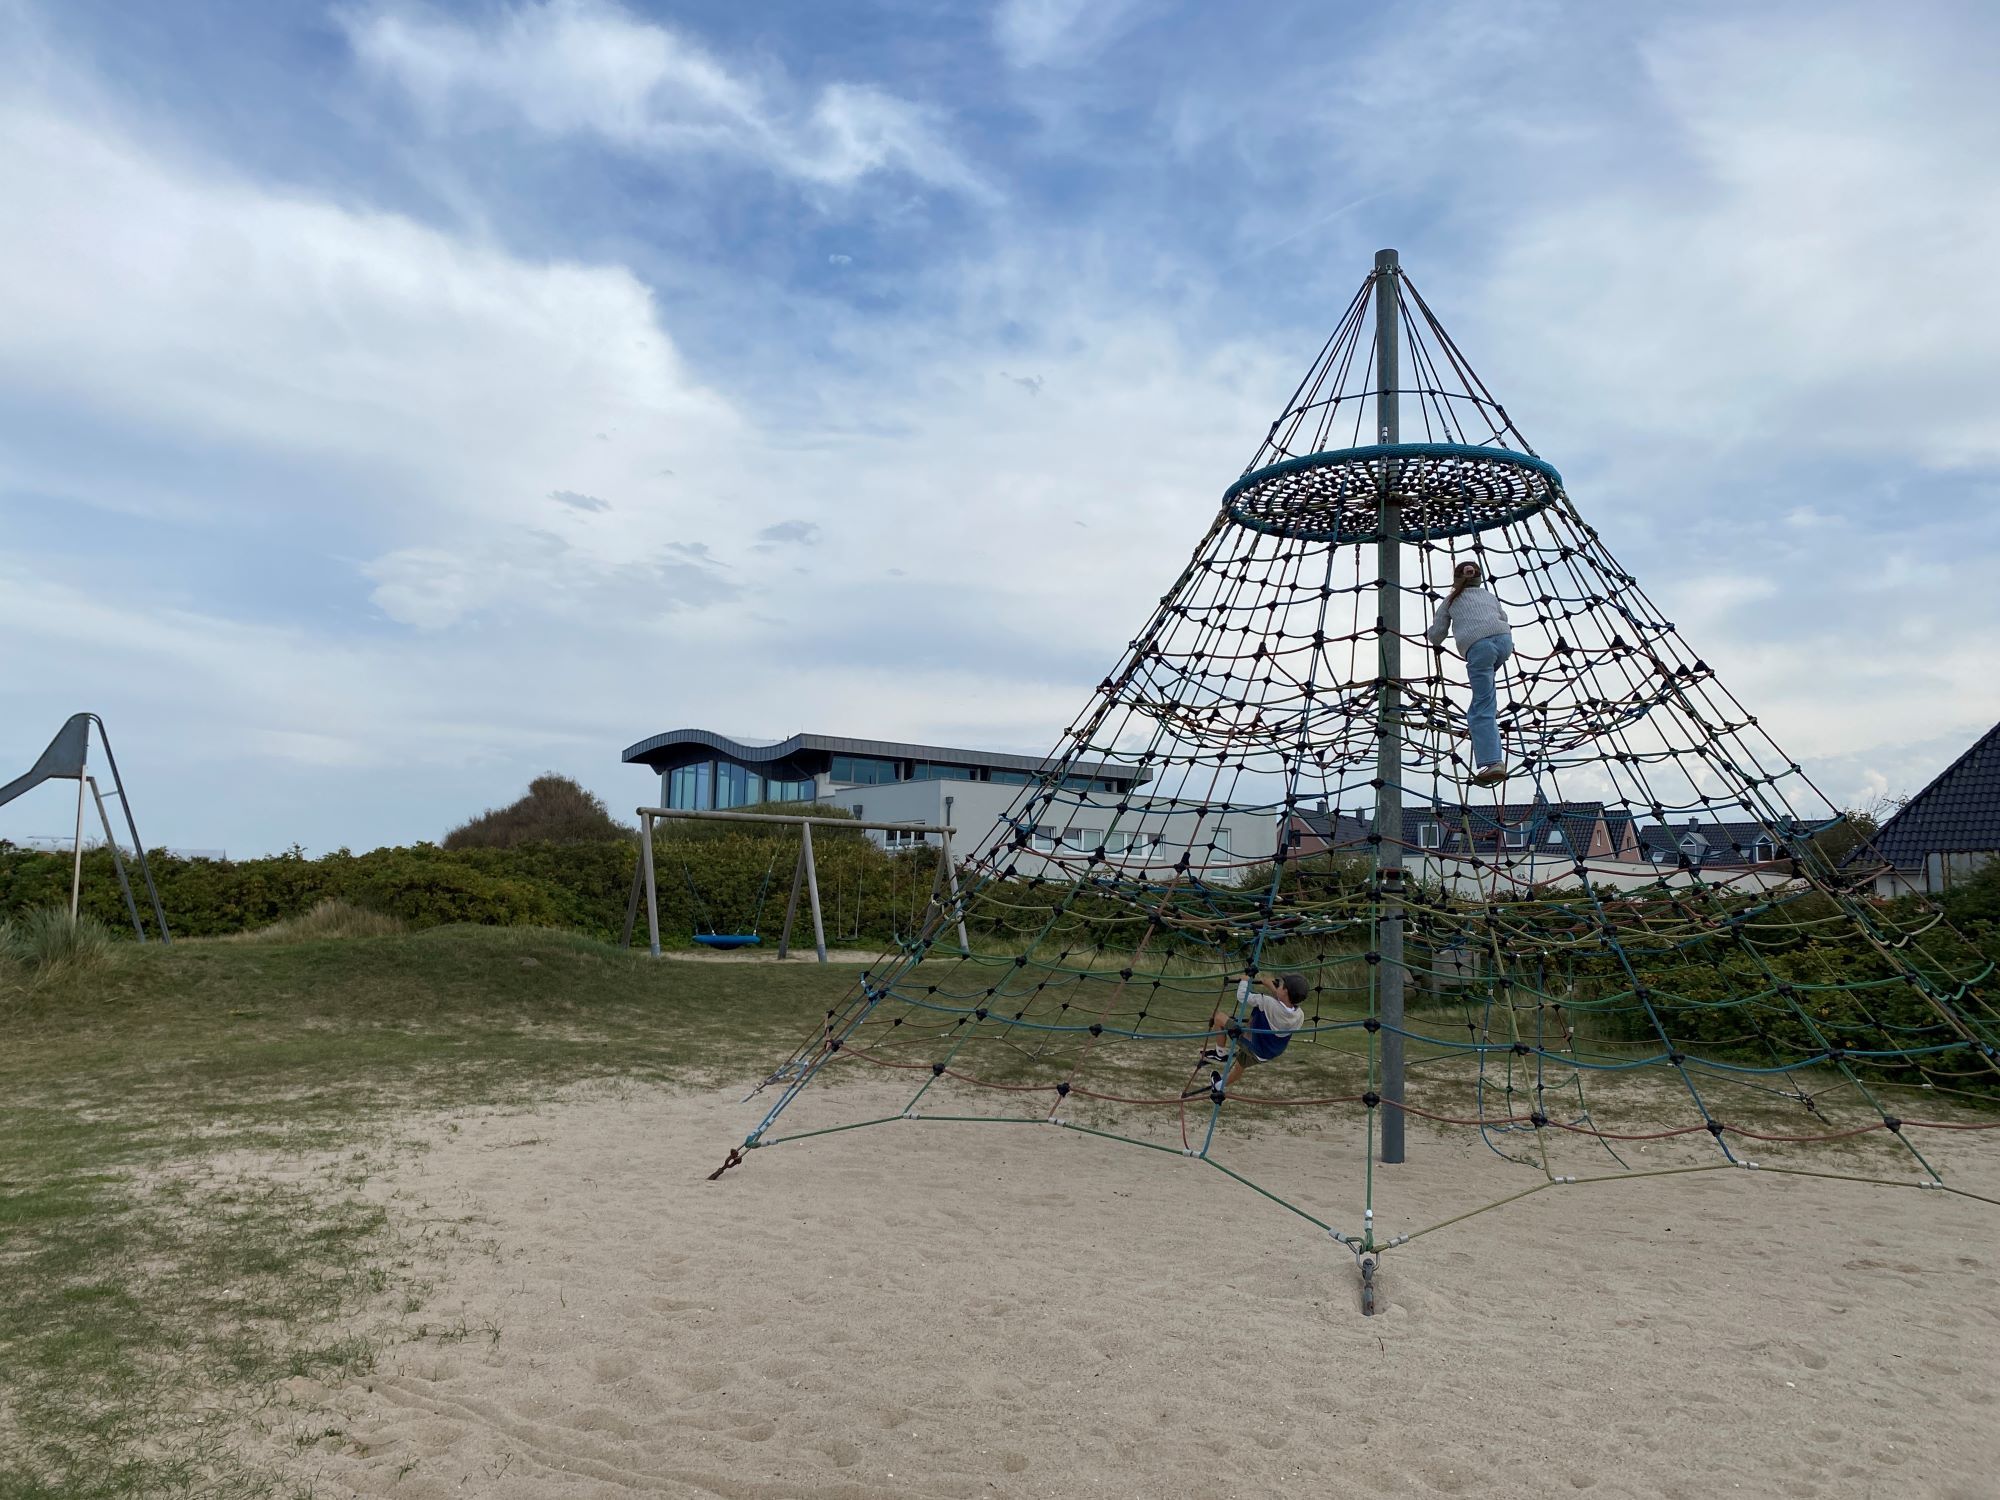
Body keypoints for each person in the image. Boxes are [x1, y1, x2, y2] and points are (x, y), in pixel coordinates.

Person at [1425, 559, 1513, 786]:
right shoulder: (1488, 595)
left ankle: (1493, 762)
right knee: (1486, 694)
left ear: (1456, 579)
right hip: (1504, 642)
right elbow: (1503, 618)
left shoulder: (1450, 600)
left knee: (1480, 709)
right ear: (1479, 577)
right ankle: (1492, 753)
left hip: (1479, 647)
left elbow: (1437, 634)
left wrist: (1429, 636)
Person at [1196, 972, 1308, 1096]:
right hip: (1267, 1053)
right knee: (1239, 1066)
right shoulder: (1300, 1016)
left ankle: (1220, 1053)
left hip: (1252, 1043)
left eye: (1281, 986)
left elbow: (1242, 996)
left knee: (1218, 1017)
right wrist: (1271, 987)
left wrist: (1245, 981)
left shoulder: (1266, 1002)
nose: (1279, 987)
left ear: (1286, 992)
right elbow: (1282, 1005)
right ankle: (1218, 1086)